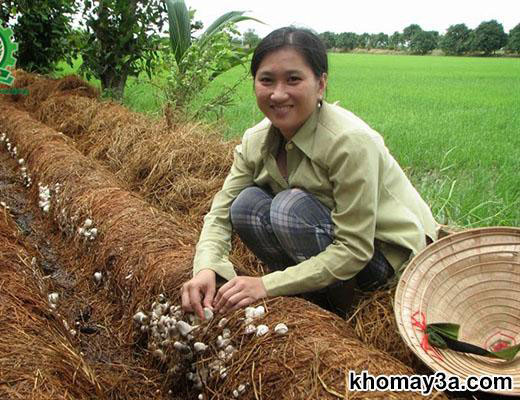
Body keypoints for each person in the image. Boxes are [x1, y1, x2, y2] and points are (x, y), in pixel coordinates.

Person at [181, 27, 438, 319]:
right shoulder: (256, 140)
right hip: (329, 240)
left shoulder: (349, 142)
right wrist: (206, 266)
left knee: (289, 207)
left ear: (320, 84)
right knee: (245, 205)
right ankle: (310, 295)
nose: (278, 94)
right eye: (266, 80)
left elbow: (354, 248)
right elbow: (221, 211)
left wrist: (266, 285)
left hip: (384, 258)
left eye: (293, 79)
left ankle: (339, 310)